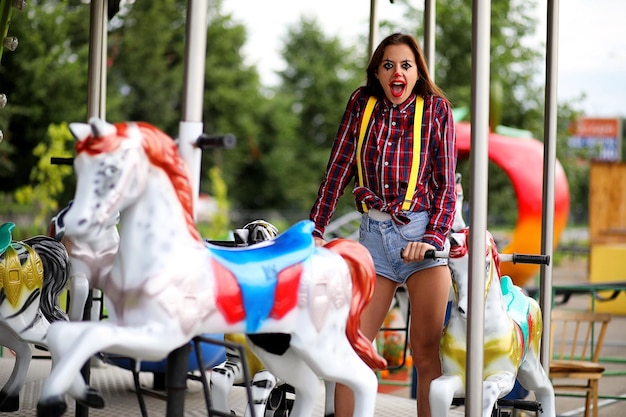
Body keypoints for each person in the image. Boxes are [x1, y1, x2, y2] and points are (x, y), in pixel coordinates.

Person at [309, 32, 457, 417]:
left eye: (405, 65)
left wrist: (432, 237)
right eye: (388, 65)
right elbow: (339, 167)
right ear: (376, 71)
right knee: (351, 347)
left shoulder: (436, 109)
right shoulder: (362, 104)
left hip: (420, 236)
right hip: (372, 238)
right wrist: (316, 227)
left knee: (426, 351)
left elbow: (445, 185)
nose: (397, 72)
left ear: (416, 71)